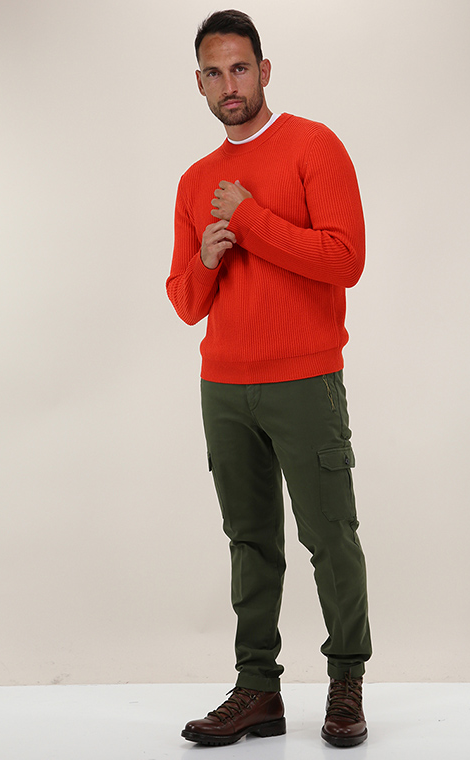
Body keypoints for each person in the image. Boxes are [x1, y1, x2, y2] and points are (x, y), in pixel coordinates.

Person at [166, 9, 372, 749]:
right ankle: (257, 690)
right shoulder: (195, 181)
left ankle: (345, 682)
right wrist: (208, 259)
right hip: (224, 387)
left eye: (240, 68)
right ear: (199, 83)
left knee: (330, 537)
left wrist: (251, 221)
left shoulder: (314, 145)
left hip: (305, 378)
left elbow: (345, 259)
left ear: (265, 71)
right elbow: (185, 302)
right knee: (249, 542)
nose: (230, 84)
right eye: (214, 72)